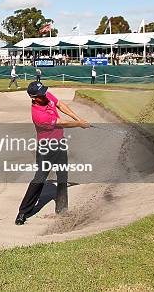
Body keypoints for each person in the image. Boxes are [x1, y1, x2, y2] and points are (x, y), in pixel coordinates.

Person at [15, 81, 90, 225]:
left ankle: (62, 209)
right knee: (40, 178)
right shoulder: (38, 115)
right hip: (45, 148)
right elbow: (62, 123)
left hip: (59, 143)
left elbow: (61, 105)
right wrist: (80, 124)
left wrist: (78, 119)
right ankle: (23, 212)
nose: (45, 94)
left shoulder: (45, 95)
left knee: (63, 175)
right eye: (41, 94)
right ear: (34, 97)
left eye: (44, 91)